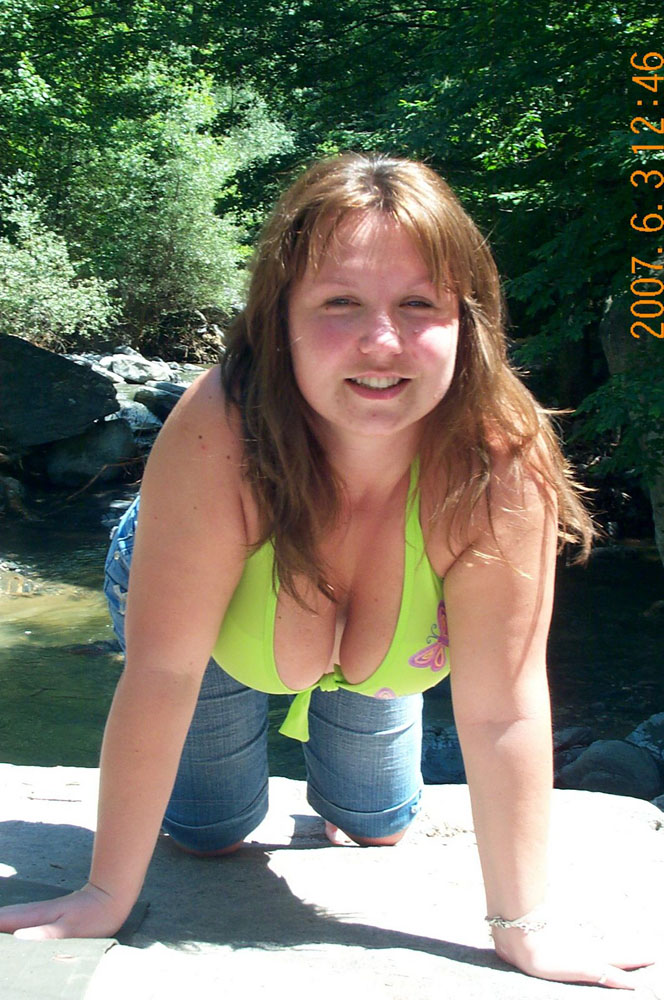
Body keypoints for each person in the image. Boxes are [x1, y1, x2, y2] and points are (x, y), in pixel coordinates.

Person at [0, 154, 654, 986]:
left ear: (468, 321)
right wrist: (104, 895)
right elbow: (164, 673)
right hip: (207, 595)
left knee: (379, 825)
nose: (382, 343)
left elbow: (502, 709)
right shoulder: (219, 429)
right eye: (340, 303)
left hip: (386, 633)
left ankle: (353, 688)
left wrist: (523, 928)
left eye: (418, 303)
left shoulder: (500, 460)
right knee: (210, 834)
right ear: (280, 319)